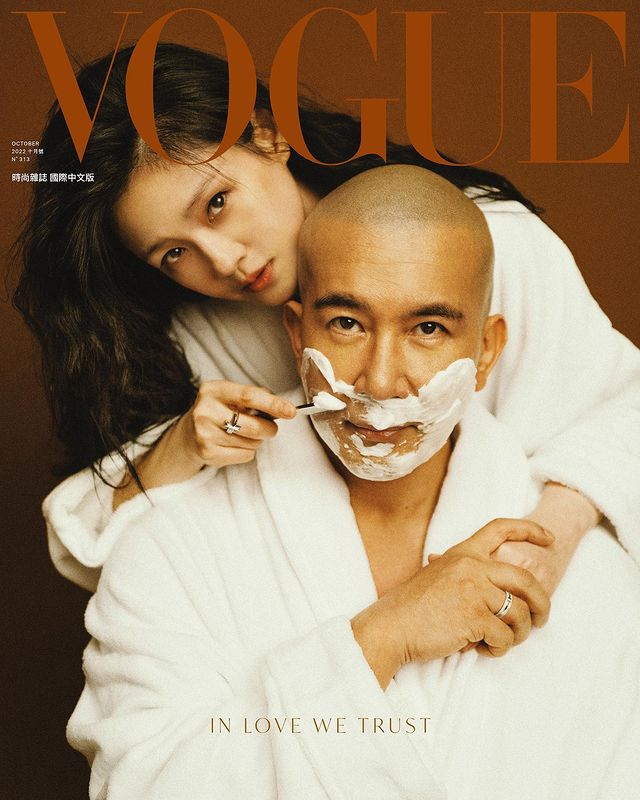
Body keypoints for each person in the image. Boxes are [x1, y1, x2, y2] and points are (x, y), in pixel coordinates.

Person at [67, 167, 640, 799]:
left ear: (486, 352)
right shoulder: (169, 552)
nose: (380, 380)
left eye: (428, 329)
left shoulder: (593, 582)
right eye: (346, 323)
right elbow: (141, 785)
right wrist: (382, 637)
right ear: (295, 334)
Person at [14, 43, 640, 595]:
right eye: (173, 253)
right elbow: (104, 549)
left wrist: (549, 540)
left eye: (217, 204)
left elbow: (622, 407)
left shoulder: (494, 244)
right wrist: (182, 446)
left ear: (267, 134)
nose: (224, 261)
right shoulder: (201, 335)